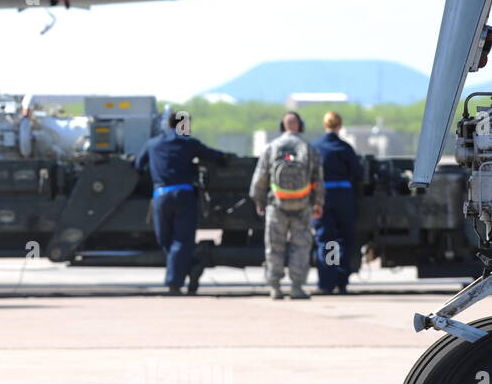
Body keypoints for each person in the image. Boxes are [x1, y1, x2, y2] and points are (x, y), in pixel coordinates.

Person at [134, 110, 232, 294]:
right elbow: (216, 157)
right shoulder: (190, 144)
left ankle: (177, 279)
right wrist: (227, 158)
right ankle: (187, 270)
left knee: (165, 239)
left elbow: (138, 166)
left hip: (161, 197)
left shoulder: (152, 144)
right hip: (185, 196)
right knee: (182, 240)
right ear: (184, 125)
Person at [250, 111, 324, 300]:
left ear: (282, 126)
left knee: (274, 247)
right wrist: (318, 203)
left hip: (277, 205)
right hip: (302, 205)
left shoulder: (271, 148)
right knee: (301, 246)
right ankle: (297, 287)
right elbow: (318, 179)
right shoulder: (309, 148)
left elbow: (260, 178)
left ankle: (275, 287)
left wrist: (259, 200)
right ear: (300, 125)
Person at [313, 111, 361, 294]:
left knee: (327, 239)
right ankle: (341, 281)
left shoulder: (315, 147)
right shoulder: (345, 148)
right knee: (344, 239)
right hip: (344, 197)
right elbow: (357, 173)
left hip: (322, 197)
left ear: (325, 125)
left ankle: (327, 282)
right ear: (339, 126)